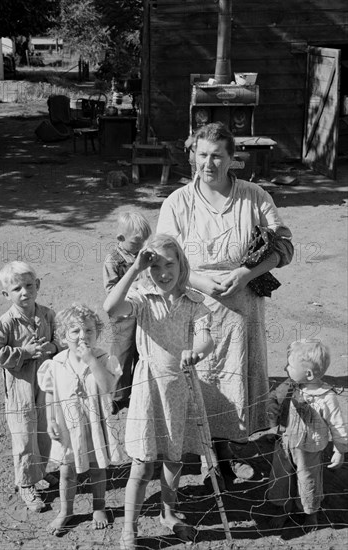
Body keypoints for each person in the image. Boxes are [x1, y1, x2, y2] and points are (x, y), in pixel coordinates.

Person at [157, 121, 294, 481]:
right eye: (202, 155)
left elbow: (284, 246)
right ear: (192, 157)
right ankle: (207, 455)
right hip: (195, 304)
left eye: (217, 156)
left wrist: (245, 274)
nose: (208, 163)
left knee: (235, 378)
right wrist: (201, 281)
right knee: (202, 377)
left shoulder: (254, 196)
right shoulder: (178, 202)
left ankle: (229, 448)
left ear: (233, 159)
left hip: (242, 306)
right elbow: (162, 258)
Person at [103, 234, 214, 550]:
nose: (163, 273)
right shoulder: (142, 298)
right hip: (147, 389)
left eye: (170, 264)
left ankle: (169, 512)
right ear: (145, 269)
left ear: (181, 263)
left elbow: (207, 338)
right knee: (142, 463)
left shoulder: (193, 301)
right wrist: (135, 268)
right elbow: (111, 307)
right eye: (155, 266)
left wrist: (198, 352)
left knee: (173, 458)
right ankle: (130, 527)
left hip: (179, 389)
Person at [37, 304, 122, 535]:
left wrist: (91, 360)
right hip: (67, 426)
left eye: (88, 331)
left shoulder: (104, 359)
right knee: (67, 470)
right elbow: (51, 392)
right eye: (75, 331)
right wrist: (51, 419)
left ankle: (99, 507)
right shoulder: (56, 363)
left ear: (97, 334)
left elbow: (108, 389)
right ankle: (66, 511)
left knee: (96, 468)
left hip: (95, 424)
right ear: (64, 337)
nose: (82, 336)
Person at [0, 261, 61, 512]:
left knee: (44, 431)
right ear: (6, 295)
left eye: (29, 285)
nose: (24, 292)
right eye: (17, 288)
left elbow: (62, 339)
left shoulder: (47, 315)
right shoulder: (7, 322)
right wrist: (23, 352)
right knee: (24, 436)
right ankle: (26, 483)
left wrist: (54, 348)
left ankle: (39, 472)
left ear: (37, 285)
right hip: (20, 390)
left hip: (45, 387)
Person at [267, 339, 348, 532]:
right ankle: (283, 508)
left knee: (308, 480)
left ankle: (310, 513)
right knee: (281, 476)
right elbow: (273, 403)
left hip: (310, 449)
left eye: (290, 365)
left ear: (308, 373)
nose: (285, 367)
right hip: (284, 442)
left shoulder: (326, 397)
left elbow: (338, 425)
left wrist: (339, 449)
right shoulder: (289, 386)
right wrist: (272, 422)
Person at [103, 211, 152, 413]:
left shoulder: (142, 255)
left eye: (143, 242)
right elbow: (110, 291)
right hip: (123, 316)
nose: (140, 246)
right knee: (122, 354)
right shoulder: (113, 260)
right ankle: (116, 396)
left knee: (142, 352)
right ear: (121, 239)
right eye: (136, 242)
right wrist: (135, 281)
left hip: (141, 312)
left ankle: (139, 392)